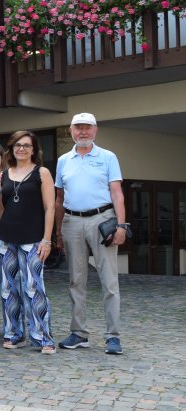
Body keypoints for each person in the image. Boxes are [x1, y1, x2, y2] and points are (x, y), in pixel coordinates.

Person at [55, 113, 128, 355]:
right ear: (71, 131)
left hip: (102, 220)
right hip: (72, 221)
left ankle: (113, 336)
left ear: (95, 130)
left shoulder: (108, 157)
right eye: (78, 128)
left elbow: (116, 192)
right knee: (76, 280)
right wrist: (57, 231)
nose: (83, 132)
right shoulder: (63, 160)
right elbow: (59, 198)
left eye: (87, 128)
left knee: (109, 281)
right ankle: (79, 333)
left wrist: (121, 225)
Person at [0, 131, 57, 354]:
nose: (21, 149)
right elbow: (2, 208)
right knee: (8, 289)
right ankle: (14, 334)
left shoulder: (41, 172)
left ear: (34, 150)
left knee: (34, 288)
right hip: (6, 238)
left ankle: (43, 337)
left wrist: (47, 240)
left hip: (34, 239)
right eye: (17, 145)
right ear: (11, 149)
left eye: (26, 146)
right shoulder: (4, 174)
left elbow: (50, 207)